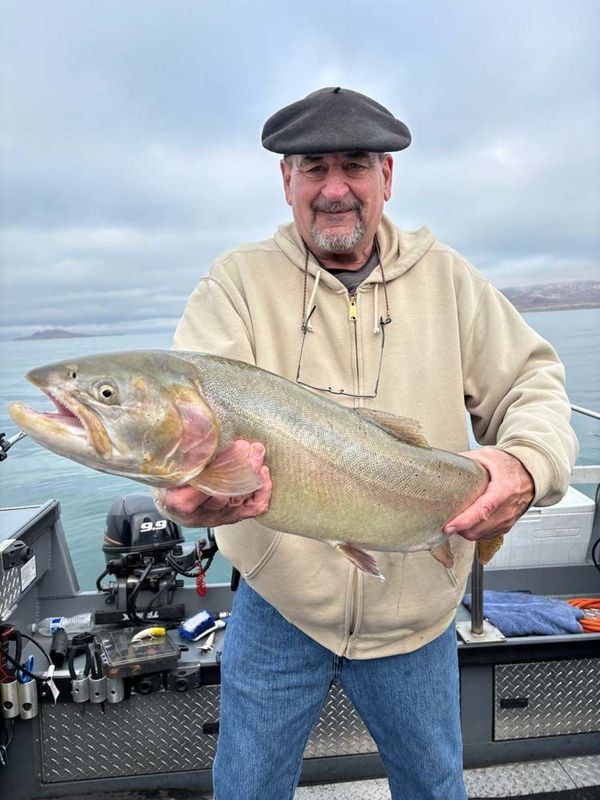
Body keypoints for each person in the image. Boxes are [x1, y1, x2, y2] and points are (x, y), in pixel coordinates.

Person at [157, 87, 578, 799]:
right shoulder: (235, 285)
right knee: (247, 789)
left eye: (353, 165)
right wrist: (181, 493)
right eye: (312, 167)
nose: (333, 188)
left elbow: (533, 382)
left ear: (387, 177)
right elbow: (184, 421)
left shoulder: (448, 281)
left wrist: (524, 465)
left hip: (417, 609)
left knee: (434, 787)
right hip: (279, 601)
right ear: (285, 181)